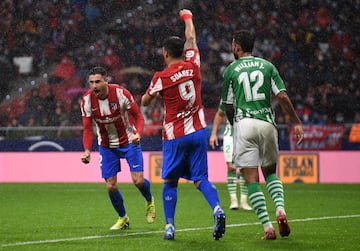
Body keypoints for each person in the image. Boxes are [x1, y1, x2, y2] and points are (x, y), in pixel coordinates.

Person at [141, 9, 225, 241]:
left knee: (170, 181)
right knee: (200, 179)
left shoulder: (161, 77)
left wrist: (155, 94)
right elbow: (191, 38)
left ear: (165, 53)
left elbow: (145, 101)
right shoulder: (193, 64)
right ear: (183, 51)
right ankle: (217, 209)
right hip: (198, 131)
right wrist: (188, 17)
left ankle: (169, 226)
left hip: (175, 134)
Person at [221, 29, 304, 240]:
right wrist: (296, 122)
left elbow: (228, 106)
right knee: (270, 172)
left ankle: (267, 227)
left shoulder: (231, 70)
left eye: (233, 44)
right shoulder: (268, 66)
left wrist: (235, 126)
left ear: (237, 47)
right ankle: (280, 210)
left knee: (251, 179)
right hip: (267, 123)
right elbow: (283, 98)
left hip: (245, 125)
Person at [80, 66, 156, 230]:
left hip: (129, 141)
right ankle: (123, 218)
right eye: (91, 82)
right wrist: (87, 150)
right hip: (106, 146)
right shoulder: (86, 100)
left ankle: (149, 200)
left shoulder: (121, 94)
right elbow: (87, 129)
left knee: (138, 181)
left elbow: (138, 116)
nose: (94, 86)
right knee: (111, 185)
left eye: (98, 82)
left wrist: (138, 133)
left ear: (106, 81)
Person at [209, 102, 252, 211]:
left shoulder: (246, 94)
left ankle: (243, 200)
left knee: (244, 168)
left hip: (245, 136)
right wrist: (214, 133)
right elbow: (219, 114)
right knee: (231, 167)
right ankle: (233, 200)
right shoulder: (227, 95)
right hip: (230, 136)